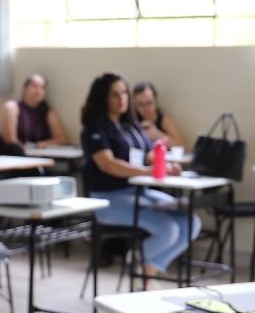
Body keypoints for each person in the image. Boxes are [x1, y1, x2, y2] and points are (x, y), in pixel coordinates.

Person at [78, 72, 198, 280]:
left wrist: (165, 164)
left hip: (138, 191)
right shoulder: (95, 128)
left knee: (191, 222)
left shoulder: (131, 124)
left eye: (124, 92)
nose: (122, 98)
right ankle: (145, 277)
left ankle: (145, 270)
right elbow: (108, 164)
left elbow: (147, 154)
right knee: (168, 229)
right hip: (107, 198)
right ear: (102, 98)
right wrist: (145, 172)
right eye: (115, 94)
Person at [0, 73, 67, 149]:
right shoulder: (11, 107)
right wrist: (26, 150)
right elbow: (11, 140)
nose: (38, 91)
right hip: (14, 155)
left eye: (42, 88)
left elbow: (62, 139)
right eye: (34, 86)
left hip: (38, 155)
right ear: (24, 88)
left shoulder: (48, 112)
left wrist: (43, 144)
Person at [131, 81, 186, 150]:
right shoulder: (133, 121)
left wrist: (156, 134)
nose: (145, 108)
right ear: (135, 105)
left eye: (149, 103)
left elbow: (182, 147)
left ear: (155, 101)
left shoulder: (164, 120)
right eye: (141, 104)